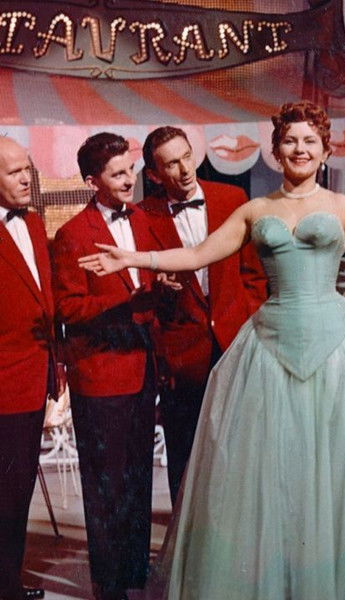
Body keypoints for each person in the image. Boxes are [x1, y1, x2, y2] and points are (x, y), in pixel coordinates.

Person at [80, 102, 345, 600]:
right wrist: (134, 257)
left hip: (340, 347)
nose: (300, 149)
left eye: (310, 141)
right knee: (273, 477)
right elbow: (199, 254)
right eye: (290, 140)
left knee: (344, 471)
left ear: (325, 151)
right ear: (275, 150)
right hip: (270, 347)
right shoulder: (254, 211)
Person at [52, 133, 158, 600]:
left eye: (130, 169)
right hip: (100, 375)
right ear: (92, 181)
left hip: (143, 369)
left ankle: (134, 574)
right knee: (106, 485)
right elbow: (68, 309)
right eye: (117, 174)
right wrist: (126, 303)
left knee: (138, 478)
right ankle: (109, 584)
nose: (129, 179)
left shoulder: (144, 219)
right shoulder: (72, 234)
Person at [140, 126, 267, 505]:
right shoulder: (143, 216)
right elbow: (143, 287)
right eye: (171, 164)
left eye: (187, 157)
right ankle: (186, 534)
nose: (184, 169)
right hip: (182, 357)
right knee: (185, 457)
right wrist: (158, 291)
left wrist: (249, 325)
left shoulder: (233, 198)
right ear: (154, 175)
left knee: (240, 451)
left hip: (236, 345)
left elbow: (254, 275)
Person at [0, 137, 62, 600]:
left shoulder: (35, 222)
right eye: (13, 172)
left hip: (33, 378)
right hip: (4, 380)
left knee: (16, 491)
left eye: (27, 169)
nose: (25, 179)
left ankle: (8, 583)